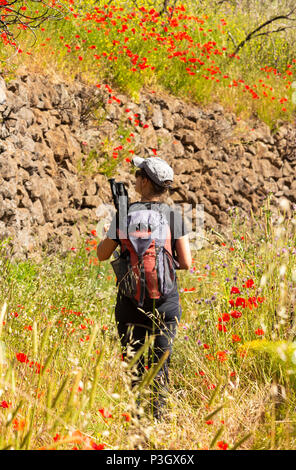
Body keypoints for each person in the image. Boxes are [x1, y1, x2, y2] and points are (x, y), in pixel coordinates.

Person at [97, 156, 192, 420]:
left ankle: (138, 428)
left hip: (130, 305)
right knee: (160, 367)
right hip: (165, 304)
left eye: (138, 174)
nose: (135, 178)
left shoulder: (125, 215)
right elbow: (185, 262)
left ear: (145, 181)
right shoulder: (174, 216)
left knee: (136, 369)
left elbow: (102, 255)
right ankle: (158, 424)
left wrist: (112, 234)